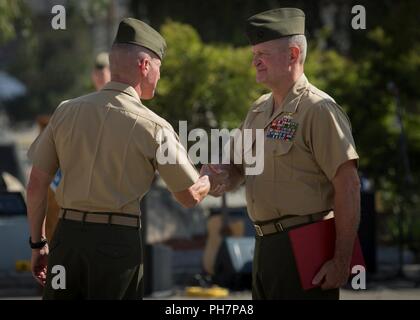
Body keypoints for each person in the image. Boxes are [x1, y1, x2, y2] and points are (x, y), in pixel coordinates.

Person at [26, 17, 211, 300]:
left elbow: (36, 185)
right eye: (158, 68)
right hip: (115, 244)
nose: (159, 77)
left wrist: (38, 243)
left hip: (67, 239)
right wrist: (211, 177)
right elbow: (188, 197)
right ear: (144, 66)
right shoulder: (155, 127)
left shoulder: (65, 111)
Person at [202, 8, 360, 300]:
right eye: (253, 53)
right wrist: (215, 178)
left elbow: (348, 185)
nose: (254, 61)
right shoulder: (258, 109)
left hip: (305, 245)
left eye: (262, 53)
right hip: (263, 247)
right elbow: (235, 168)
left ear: (293, 54)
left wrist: (341, 261)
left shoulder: (318, 109)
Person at [43, 52, 112, 241]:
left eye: (104, 70)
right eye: (96, 71)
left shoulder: (119, 105)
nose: (99, 75)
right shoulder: (83, 104)